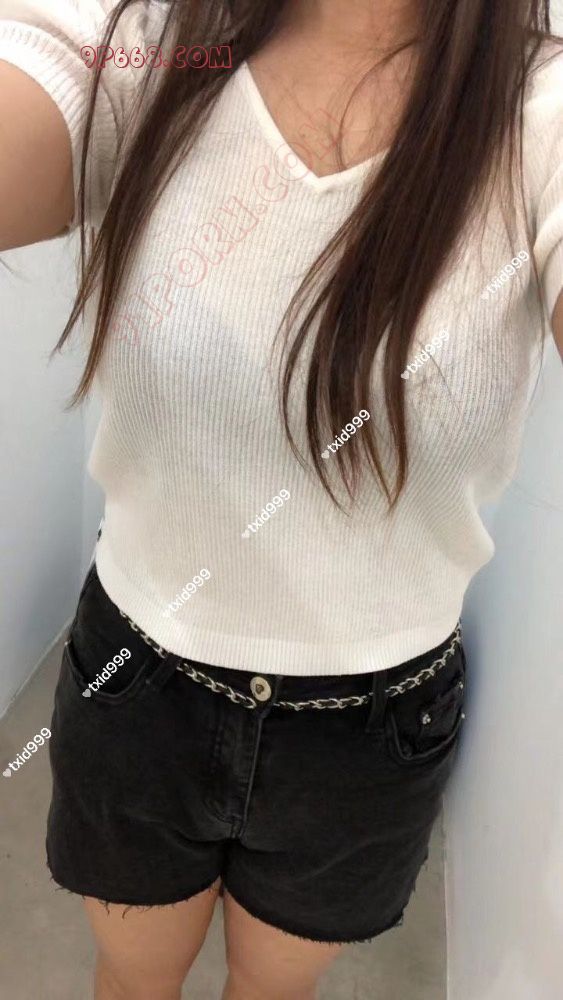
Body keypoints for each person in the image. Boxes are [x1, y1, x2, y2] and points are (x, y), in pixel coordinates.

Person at [1, 1, 562, 998]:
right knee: (131, 980)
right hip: (141, 681)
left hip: (370, 724)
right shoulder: (157, 43)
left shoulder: (538, 112)